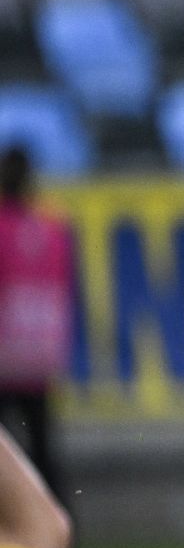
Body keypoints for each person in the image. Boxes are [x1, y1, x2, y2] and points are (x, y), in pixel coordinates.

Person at [0, 148, 74, 506]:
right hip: (39, 357)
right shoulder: (52, 227)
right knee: (43, 453)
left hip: (4, 358)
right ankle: (61, 527)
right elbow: (68, 288)